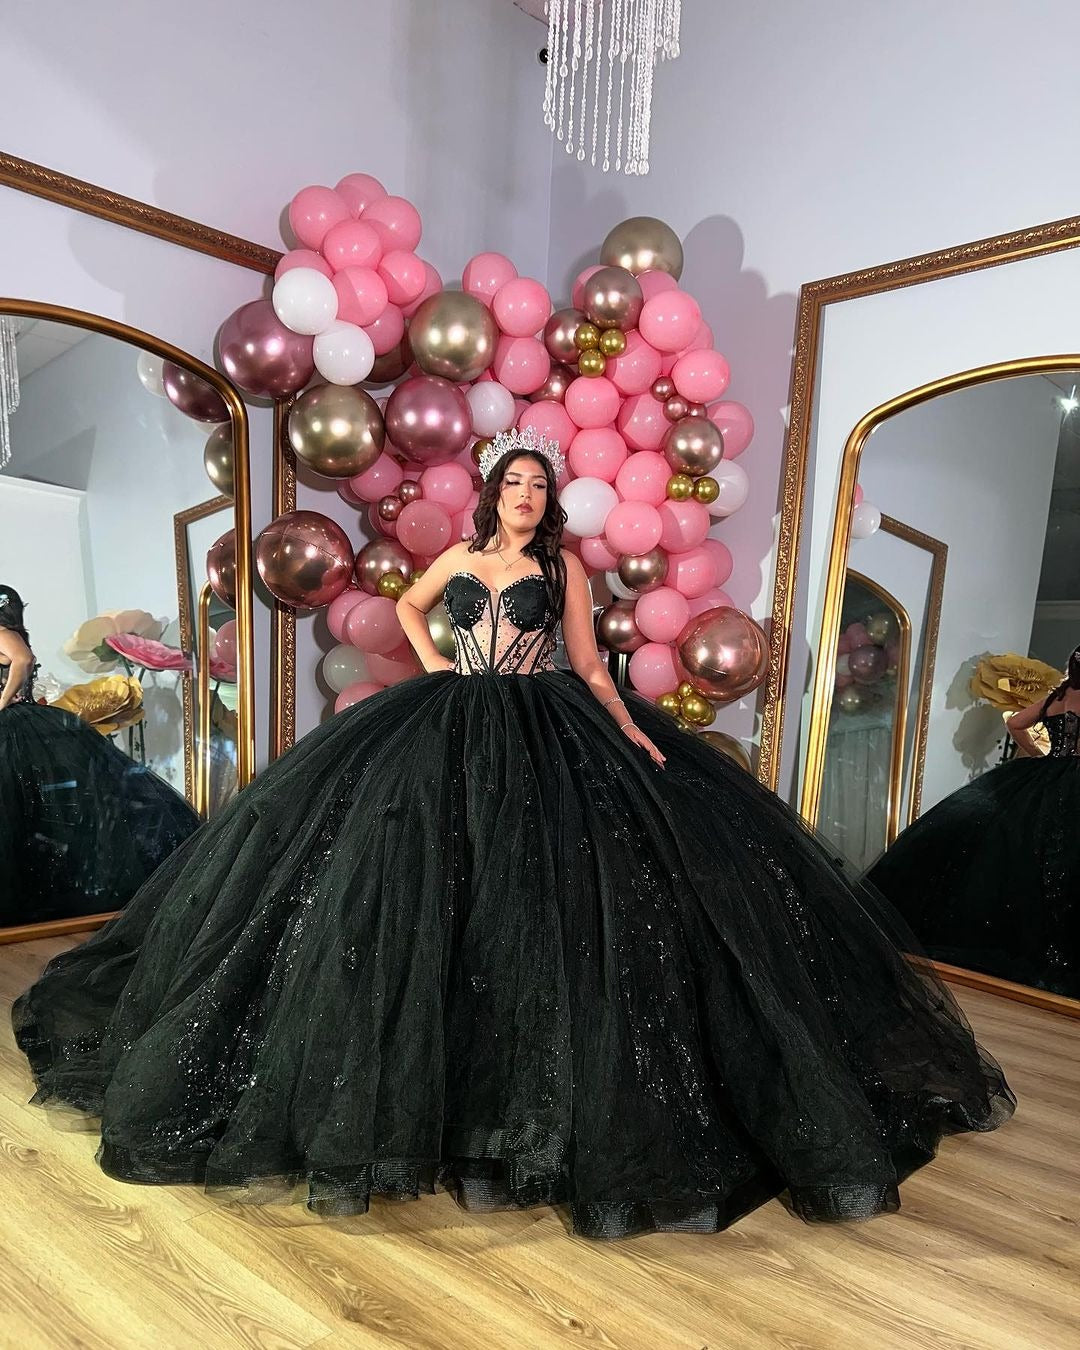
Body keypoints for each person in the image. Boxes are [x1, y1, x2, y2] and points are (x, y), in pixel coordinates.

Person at [13, 430, 1013, 1241]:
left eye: (540, 485)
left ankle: (521, 1112)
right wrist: (434, 665)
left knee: (546, 904)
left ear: (549, 500)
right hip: (447, 722)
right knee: (417, 893)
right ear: (495, 493)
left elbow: (588, 664)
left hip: (547, 723)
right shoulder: (456, 559)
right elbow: (408, 608)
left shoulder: (563, 567)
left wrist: (631, 733)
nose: (528, 496)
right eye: (517, 483)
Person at [869, 647, 1080, 999]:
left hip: (1044, 773)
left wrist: (1038, 754)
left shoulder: (1057, 697)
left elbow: (1015, 723)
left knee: (1017, 849)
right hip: (1069, 783)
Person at [0, 586, 198, 927]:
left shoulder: (2, 633)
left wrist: (3, 701)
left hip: (15, 722)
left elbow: (24, 660)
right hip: (22, 724)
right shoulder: (10, 632)